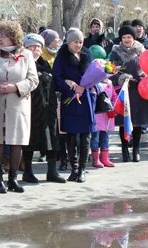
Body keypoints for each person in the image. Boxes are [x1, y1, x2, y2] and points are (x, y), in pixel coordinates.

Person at [0, 21, 38, 193]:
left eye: (5, 36)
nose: (0, 39)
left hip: (18, 104)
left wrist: (16, 87)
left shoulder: (26, 55)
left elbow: (33, 80)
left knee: (17, 141)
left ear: (14, 37)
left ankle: (13, 178)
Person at [52, 28, 96, 183]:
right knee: (71, 135)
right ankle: (74, 168)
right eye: (75, 42)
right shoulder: (61, 57)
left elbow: (94, 75)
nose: (78, 45)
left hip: (86, 99)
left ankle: (82, 169)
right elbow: (56, 77)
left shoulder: (86, 55)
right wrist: (67, 84)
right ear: (69, 42)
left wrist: (87, 86)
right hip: (70, 99)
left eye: (80, 42)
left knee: (85, 135)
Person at [22, 33, 65, 184]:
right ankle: (27, 171)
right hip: (31, 108)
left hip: (49, 107)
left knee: (52, 139)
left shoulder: (45, 64)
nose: (36, 50)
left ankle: (52, 171)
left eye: (39, 46)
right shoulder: (23, 63)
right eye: (33, 46)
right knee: (30, 140)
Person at [109, 25, 148, 162]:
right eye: (124, 37)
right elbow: (110, 70)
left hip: (139, 90)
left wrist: (144, 76)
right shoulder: (115, 51)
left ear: (134, 38)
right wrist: (121, 78)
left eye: (129, 37)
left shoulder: (142, 51)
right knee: (123, 121)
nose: (127, 40)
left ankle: (136, 150)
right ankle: (125, 149)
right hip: (123, 90)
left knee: (137, 122)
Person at [90, 79, 117, 168]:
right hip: (96, 114)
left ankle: (105, 158)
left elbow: (113, 95)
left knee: (105, 137)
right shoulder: (93, 82)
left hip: (106, 115)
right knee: (95, 137)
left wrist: (114, 105)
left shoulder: (109, 82)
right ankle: (96, 159)